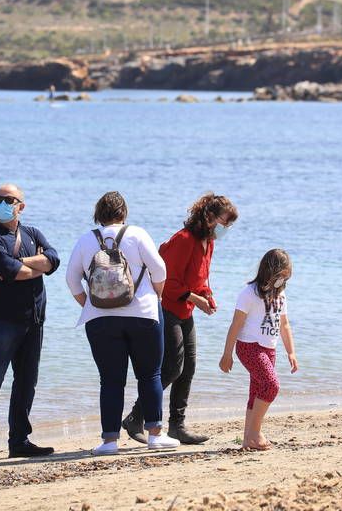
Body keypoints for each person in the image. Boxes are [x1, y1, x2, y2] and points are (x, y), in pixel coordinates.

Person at [66, 191, 180, 455]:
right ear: (123, 213)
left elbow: (72, 281)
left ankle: (109, 441)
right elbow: (160, 270)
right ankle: (154, 435)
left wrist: (91, 306)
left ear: (98, 214)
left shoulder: (86, 240)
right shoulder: (137, 234)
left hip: (100, 322)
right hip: (143, 316)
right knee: (149, 374)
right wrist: (155, 295)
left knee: (110, 380)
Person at [123, 192, 238, 445]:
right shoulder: (183, 240)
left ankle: (177, 426)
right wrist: (195, 298)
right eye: (224, 222)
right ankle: (136, 416)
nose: (226, 228)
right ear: (208, 216)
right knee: (172, 368)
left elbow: (199, 278)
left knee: (189, 368)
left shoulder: (209, 242)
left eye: (230, 224)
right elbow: (167, 281)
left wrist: (207, 295)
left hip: (185, 310)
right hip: (167, 308)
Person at [0, 183, 60, 463]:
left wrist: (25, 262)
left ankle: (19, 441)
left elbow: (54, 260)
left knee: (26, 382)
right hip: (0, 321)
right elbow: (11, 271)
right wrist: (35, 264)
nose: (1, 203)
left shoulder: (31, 232)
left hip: (33, 319)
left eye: (8, 199)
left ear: (21, 205)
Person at [219, 248, 298, 450]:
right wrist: (227, 354)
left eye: (286, 279)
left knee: (257, 390)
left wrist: (291, 352)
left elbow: (284, 324)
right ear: (269, 272)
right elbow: (235, 324)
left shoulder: (281, 295)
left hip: (269, 348)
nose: (283, 282)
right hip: (249, 346)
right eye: (280, 277)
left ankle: (248, 438)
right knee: (272, 385)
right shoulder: (249, 293)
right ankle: (256, 432)